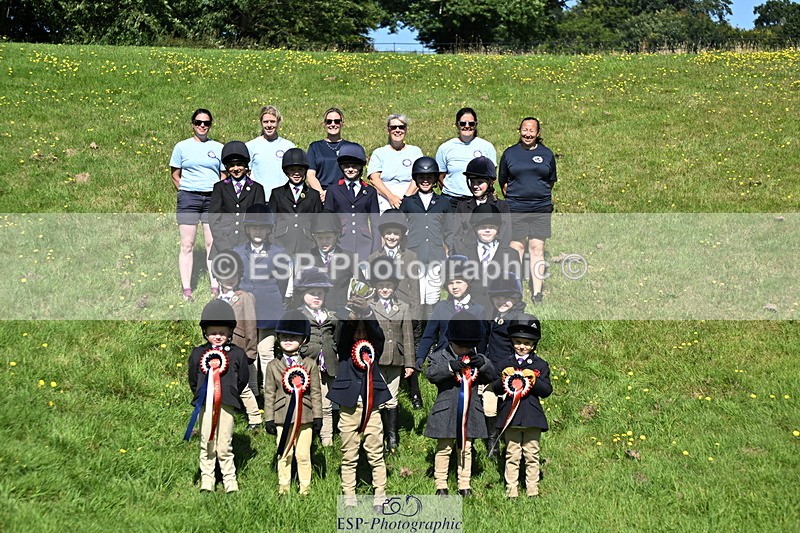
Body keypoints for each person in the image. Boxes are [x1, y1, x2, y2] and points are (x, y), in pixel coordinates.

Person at [327, 295, 391, 508]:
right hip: (349, 407)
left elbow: (378, 335)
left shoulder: (374, 349)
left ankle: (380, 495)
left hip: (372, 408)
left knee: (376, 453)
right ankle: (349, 497)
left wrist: (368, 314)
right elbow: (342, 335)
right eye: (358, 330)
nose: (360, 334)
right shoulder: (345, 349)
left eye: (364, 331)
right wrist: (351, 317)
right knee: (349, 454)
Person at [425, 310, 496, 497]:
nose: (464, 350)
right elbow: (431, 374)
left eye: (468, 347)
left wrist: (483, 364)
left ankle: (464, 484)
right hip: (446, 411)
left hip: (470, 412)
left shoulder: (477, 358)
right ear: (450, 340)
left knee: (466, 448)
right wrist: (450, 367)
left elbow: (492, 375)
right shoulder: (439, 356)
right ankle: (441, 484)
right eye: (460, 346)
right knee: (444, 448)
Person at [187, 300, 249, 493]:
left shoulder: (237, 354)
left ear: (230, 332)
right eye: (213, 333)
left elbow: (243, 378)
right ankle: (207, 479)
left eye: (222, 332)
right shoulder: (198, 353)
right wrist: (201, 394)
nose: (218, 336)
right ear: (205, 332)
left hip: (226, 403)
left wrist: (231, 392)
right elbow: (193, 378)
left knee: (224, 443)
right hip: (206, 403)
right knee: (207, 440)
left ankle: (230, 479)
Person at [367, 209, 423, 409]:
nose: (392, 237)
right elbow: (370, 286)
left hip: (403, 310)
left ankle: (414, 391)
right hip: (382, 312)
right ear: (382, 234)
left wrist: (415, 316)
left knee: (407, 348)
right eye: (388, 233)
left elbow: (415, 289)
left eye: (396, 233)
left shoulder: (410, 257)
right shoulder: (374, 257)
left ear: (402, 235)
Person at [499, 117, 557, 305]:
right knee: (516, 248)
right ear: (519, 131)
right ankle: (515, 290)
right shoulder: (510, 153)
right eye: (525, 130)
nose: (528, 134)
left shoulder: (546, 154)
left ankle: (537, 293)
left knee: (537, 248)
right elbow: (503, 181)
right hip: (516, 208)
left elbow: (550, 181)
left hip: (540, 208)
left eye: (532, 130)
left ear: (538, 133)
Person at [491, 314, 551, 498]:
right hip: (510, 416)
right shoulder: (504, 364)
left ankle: (533, 489)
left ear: (533, 344)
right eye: (518, 342)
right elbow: (495, 388)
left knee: (532, 454)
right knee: (512, 454)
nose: (522, 346)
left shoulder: (540, 365)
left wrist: (535, 380)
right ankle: (512, 489)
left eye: (527, 343)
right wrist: (502, 379)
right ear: (512, 341)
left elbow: (547, 390)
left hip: (532, 417)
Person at [264, 310, 322, 496]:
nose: (288, 340)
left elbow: (316, 392)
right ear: (278, 338)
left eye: (294, 337)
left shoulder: (310, 364)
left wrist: (318, 416)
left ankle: (305, 488)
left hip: (305, 416)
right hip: (282, 417)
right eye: (284, 336)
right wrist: (269, 418)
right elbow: (269, 393)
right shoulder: (273, 366)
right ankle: (283, 487)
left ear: (303, 340)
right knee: (284, 452)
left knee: (303, 454)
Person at [233, 204, 290, 396]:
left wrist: (274, 297)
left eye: (262, 228)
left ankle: (269, 395)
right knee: (249, 353)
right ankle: (253, 393)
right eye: (254, 227)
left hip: (269, 306)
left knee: (266, 352)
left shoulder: (278, 252)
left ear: (268, 230)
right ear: (247, 229)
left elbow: (283, 281)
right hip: (246, 308)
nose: (258, 231)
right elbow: (234, 278)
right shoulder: (238, 251)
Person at [170, 108, 224, 301]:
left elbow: (223, 174)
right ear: (192, 124)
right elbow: (175, 174)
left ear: (210, 125)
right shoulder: (181, 147)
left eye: (206, 123)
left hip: (212, 199)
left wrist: (217, 194)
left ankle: (215, 286)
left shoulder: (218, 147)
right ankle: (187, 289)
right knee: (187, 244)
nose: (202, 126)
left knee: (212, 243)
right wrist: (185, 191)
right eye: (198, 122)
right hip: (189, 200)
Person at [367, 255, 415, 454]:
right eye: (381, 286)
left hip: (396, 359)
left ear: (394, 286)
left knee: (392, 399)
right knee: (379, 399)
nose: (385, 289)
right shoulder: (369, 306)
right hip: (376, 360)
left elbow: (408, 336)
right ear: (375, 287)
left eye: (388, 285)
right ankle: (378, 436)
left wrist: (410, 363)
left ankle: (392, 438)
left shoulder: (403, 307)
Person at [211, 249, 262, 431]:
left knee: (242, 385)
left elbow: (251, 326)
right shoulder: (216, 300)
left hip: (239, 348)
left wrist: (251, 352)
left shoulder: (245, 297)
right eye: (225, 276)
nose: (229, 279)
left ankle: (255, 417)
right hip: (219, 351)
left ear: (239, 274)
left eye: (233, 275)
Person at [479, 275, 528, 459]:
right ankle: (492, 442)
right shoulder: (493, 315)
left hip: (510, 371)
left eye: (506, 298)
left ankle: (510, 441)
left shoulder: (519, 319)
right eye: (497, 297)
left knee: (508, 407)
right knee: (489, 405)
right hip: (490, 368)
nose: (501, 301)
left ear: (516, 298)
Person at [399, 157, 452, 318]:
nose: (425, 181)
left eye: (429, 177)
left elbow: (449, 230)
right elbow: (400, 227)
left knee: (433, 294)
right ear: (415, 179)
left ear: (435, 179)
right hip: (414, 253)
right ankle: (417, 329)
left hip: (435, 254)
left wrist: (449, 250)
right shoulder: (408, 202)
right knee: (418, 293)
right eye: (421, 177)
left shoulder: (443, 202)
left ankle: (432, 327)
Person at [415, 255, 486, 371]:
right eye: (450, 283)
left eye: (459, 282)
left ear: (468, 283)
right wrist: (420, 357)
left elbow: (482, 340)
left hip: (468, 361)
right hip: (443, 359)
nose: (454, 287)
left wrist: (481, 359)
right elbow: (429, 335)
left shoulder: (478, 310)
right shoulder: (441, 307)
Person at [294, 267, 340, 447]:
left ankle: (327, 439)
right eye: (312, 293)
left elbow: (336, 337)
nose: (316, 297)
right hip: (307, 366)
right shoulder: (298, 315)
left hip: (327, 366)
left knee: (326, 403)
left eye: (320, 293)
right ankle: (306, 435)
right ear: (302, 294)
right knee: (309, 401)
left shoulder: (331, 316)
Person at [323, 144, 381, 262]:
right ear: (341, 167)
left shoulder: (370, 191)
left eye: (354, 166)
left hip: (364, 243)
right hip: (341, 242)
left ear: (361, 167)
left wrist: (376, 250)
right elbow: (328, 221)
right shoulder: (333, 190)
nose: (350, 169)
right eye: (346, 166)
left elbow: (375, 223)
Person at [209, 141, 266, 259]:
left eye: (239, 164)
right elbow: (214, 218)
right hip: (224, 242)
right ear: (226, 167)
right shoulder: (219, 187)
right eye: (231, 165)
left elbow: (258, 219)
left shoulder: (257, 188)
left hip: (247, 243)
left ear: (246, 165)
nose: (235, 169)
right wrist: (224, 246)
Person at [461, 203, 522, 311]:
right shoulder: (465, 254)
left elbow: (517, 288)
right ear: (475, 228)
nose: (487, 230)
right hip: (471, 310)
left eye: (492, 227)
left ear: (498, 229)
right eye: (483, 227)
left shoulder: (511, 255)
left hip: (498, 309)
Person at [436, 107, 497, 211]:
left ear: (476, 124)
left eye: (471, 123)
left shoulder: (487, 147)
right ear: (457, 124)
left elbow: (492, 176)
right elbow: (440, 176)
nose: (467, 126)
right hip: (451, 201)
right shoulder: (445, 148)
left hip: (477, 200)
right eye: (463, 123)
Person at [268, 148, 323, 256]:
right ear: (286, 172)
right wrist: (272, 241)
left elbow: (318, 221)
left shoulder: (313, 194)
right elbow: (271, 220)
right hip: (282, 242)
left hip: (307, 243)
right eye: (292, 170)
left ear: (305, 171)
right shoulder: (277, 193)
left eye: (300, 170)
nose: (296, 173)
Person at [453, 156, 511, 255]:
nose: (475, 186)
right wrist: (464, 256)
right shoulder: (463, 206)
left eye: (480, 182)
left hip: (494, 256)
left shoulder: (501, 206)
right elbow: (457, 235)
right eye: (472, 182)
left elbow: (505, 235)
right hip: (468, 256)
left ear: (490, 182)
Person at [366, 114, 423, 213]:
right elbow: (374, 179)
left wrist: (407, 198)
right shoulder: (379, 153)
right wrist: (391, 197)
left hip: (410, 195)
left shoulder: (415, 151)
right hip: (385, 197)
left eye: (401, 127)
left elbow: (419, 176)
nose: (397, 130)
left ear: (406, 129)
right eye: (393, 127)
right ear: (388, 130)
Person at [306, 108, 364, 201]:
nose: (333, 124)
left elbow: (356, 173)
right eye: (329, 121)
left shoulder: (351, 147)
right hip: (321, 196)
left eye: (336, 121)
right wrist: (322, 193)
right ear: (324, 124)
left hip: (345, 194)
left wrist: (335, 194)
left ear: (342, 123)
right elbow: (310, 175)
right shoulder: (315, 147)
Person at [246, 105, 296, 199]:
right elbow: (246, 173)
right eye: (265, 122)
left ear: (278, 123)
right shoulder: (251, 146)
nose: (269, 125)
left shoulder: (288, 146)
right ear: (261, 123)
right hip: (259, 197)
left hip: (283, 198)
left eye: (272, 121)